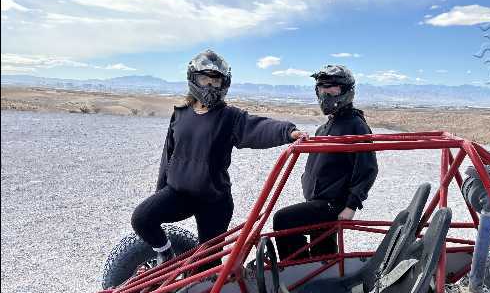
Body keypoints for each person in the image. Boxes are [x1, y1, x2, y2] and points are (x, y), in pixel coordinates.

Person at [131, 49, 305, 264]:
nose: (210, 86)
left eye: (216, 81)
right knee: (142, 218)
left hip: (213, 199)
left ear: (224, 84)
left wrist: (288, 132)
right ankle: (167, 255)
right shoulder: (180, 114)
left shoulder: (229, 117)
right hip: (179, 193)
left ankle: (204, 283)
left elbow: (257, 127)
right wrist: (161, 190)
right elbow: (168, 155)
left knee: (207, 264)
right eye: (204, 79)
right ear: (194, 79)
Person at [274, 65, 378, 260]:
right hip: (318, 199)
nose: (326, 95)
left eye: (332, 89)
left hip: (333, 203)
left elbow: (368, 168)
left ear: (346, 91)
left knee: (284, 219)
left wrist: (351, 205)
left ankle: (296, 268)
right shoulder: (324, 127)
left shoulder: (355, 125)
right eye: (322, 89)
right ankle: (319, 272)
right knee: (322, 247)